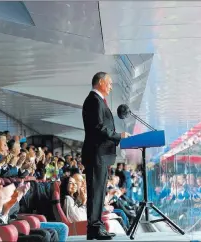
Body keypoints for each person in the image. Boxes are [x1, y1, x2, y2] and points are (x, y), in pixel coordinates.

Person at [81, 72, 130, 240]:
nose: (111, 86)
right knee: (95, 192)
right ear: (101, 82)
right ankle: (93, 228)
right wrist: (118, 136)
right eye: (109, 83)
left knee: (99, 192)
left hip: (101, 155)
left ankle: (97, 226)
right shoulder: (93, 101)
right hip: (96, 154)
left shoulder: (98, 101)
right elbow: (98, 128)